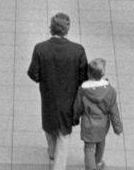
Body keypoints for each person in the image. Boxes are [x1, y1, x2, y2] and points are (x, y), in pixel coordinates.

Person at [27, 12, 88, 170]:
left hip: (48, 96)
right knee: (64, 134)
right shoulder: (78, 50)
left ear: (51, 28)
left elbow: (33, 74)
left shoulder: (40, 48)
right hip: (68, 98)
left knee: (49, 126)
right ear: (67, 29)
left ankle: (52, 152)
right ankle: (58, 166)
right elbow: (83, 76)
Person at [73, 58, 123, 170]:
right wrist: (118, 128)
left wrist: (74, 118)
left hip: (88, 124)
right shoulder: (110, 91)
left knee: (89, 148)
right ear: (103, 73)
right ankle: (99, 162)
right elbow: (114, 111)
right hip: (103, 124)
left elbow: (78, 107)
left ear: (88, 73)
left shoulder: (83, 90)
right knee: (101, 142)